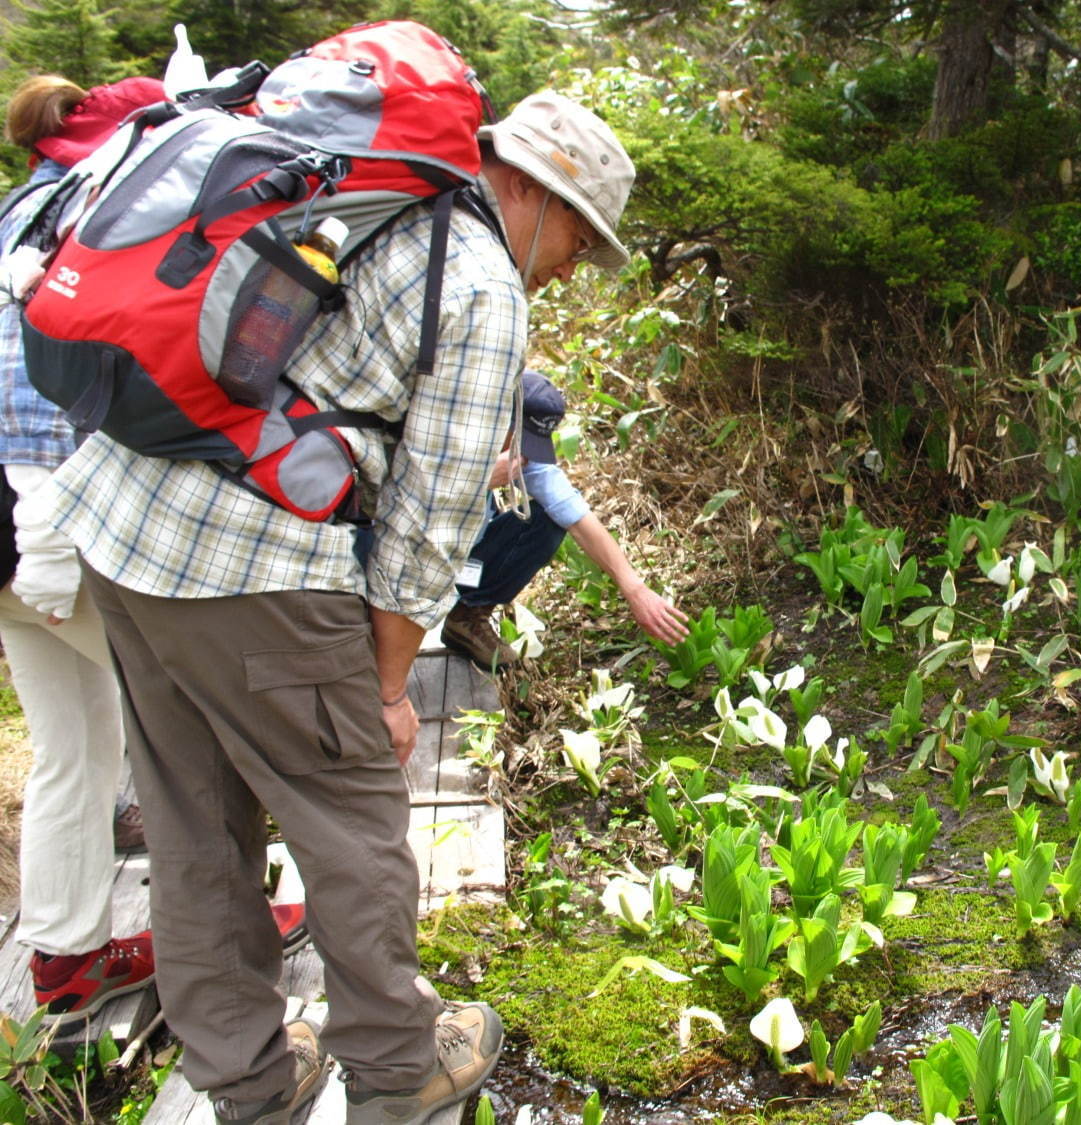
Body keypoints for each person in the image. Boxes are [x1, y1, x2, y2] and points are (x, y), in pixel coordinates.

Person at [37, 87, 634, 1123]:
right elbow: (435, 516)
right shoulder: (481, 277)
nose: (577, 266)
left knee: (190, 825)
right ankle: (402, 1072)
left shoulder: (355, 197)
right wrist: (390, 684)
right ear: (539, 191)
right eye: (584, 240)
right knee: (355, 822)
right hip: (251, 561)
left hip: (123, 529)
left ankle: (253, 1082)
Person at [0, 74, 310, 1028]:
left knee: (72, 743)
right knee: (230, 717)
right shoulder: (121, 210)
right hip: (70, 515)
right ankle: (254, 920)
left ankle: (66, 958)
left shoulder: (20, 211)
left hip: (2, 523)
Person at [441, 370, 690, 667]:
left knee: (547, 520)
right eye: (520, 438)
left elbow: (577, 518)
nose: (524, 454)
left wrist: (635, 590)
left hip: (466, 553)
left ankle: (468, 616)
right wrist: (474, 479)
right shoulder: (444, 425)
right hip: (414, 558)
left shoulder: (522, 457)